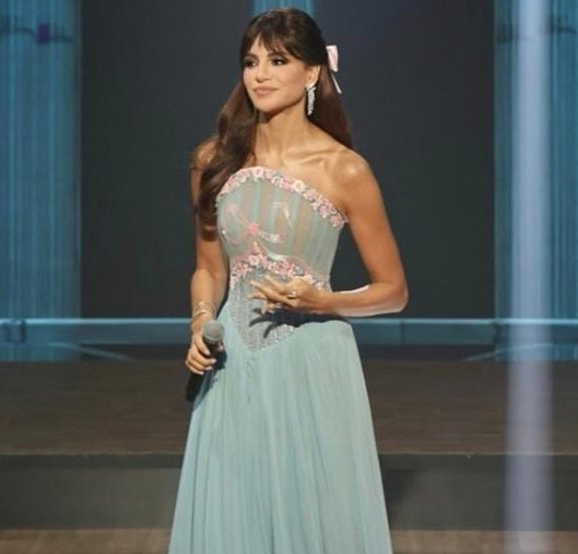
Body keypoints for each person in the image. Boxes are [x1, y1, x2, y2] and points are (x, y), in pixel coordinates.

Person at [168, 7, 407, 553]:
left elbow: (393, 291)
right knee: (234, 512)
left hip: (312, 361)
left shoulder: (344, 169)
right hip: (233, 362)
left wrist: (322, 300)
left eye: (278, 61)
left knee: (313, 516)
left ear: (313, 72)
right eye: (251, 61)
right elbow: (209, 269)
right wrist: (201, 322)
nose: (260, 74)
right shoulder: (213, 160)